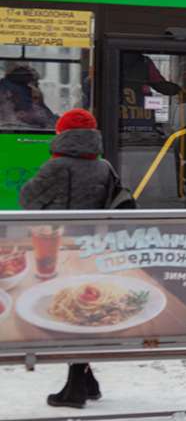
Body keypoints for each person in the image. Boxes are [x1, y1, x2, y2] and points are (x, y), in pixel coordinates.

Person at [19, 109, 116, 409]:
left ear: (62, 134)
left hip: (61, 252)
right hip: (92, 251)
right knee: (79, 314)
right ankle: (87, 383)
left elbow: (27, 199)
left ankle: (76, 390)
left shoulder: (57, 166)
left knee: (70, 317)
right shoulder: (104, 167)